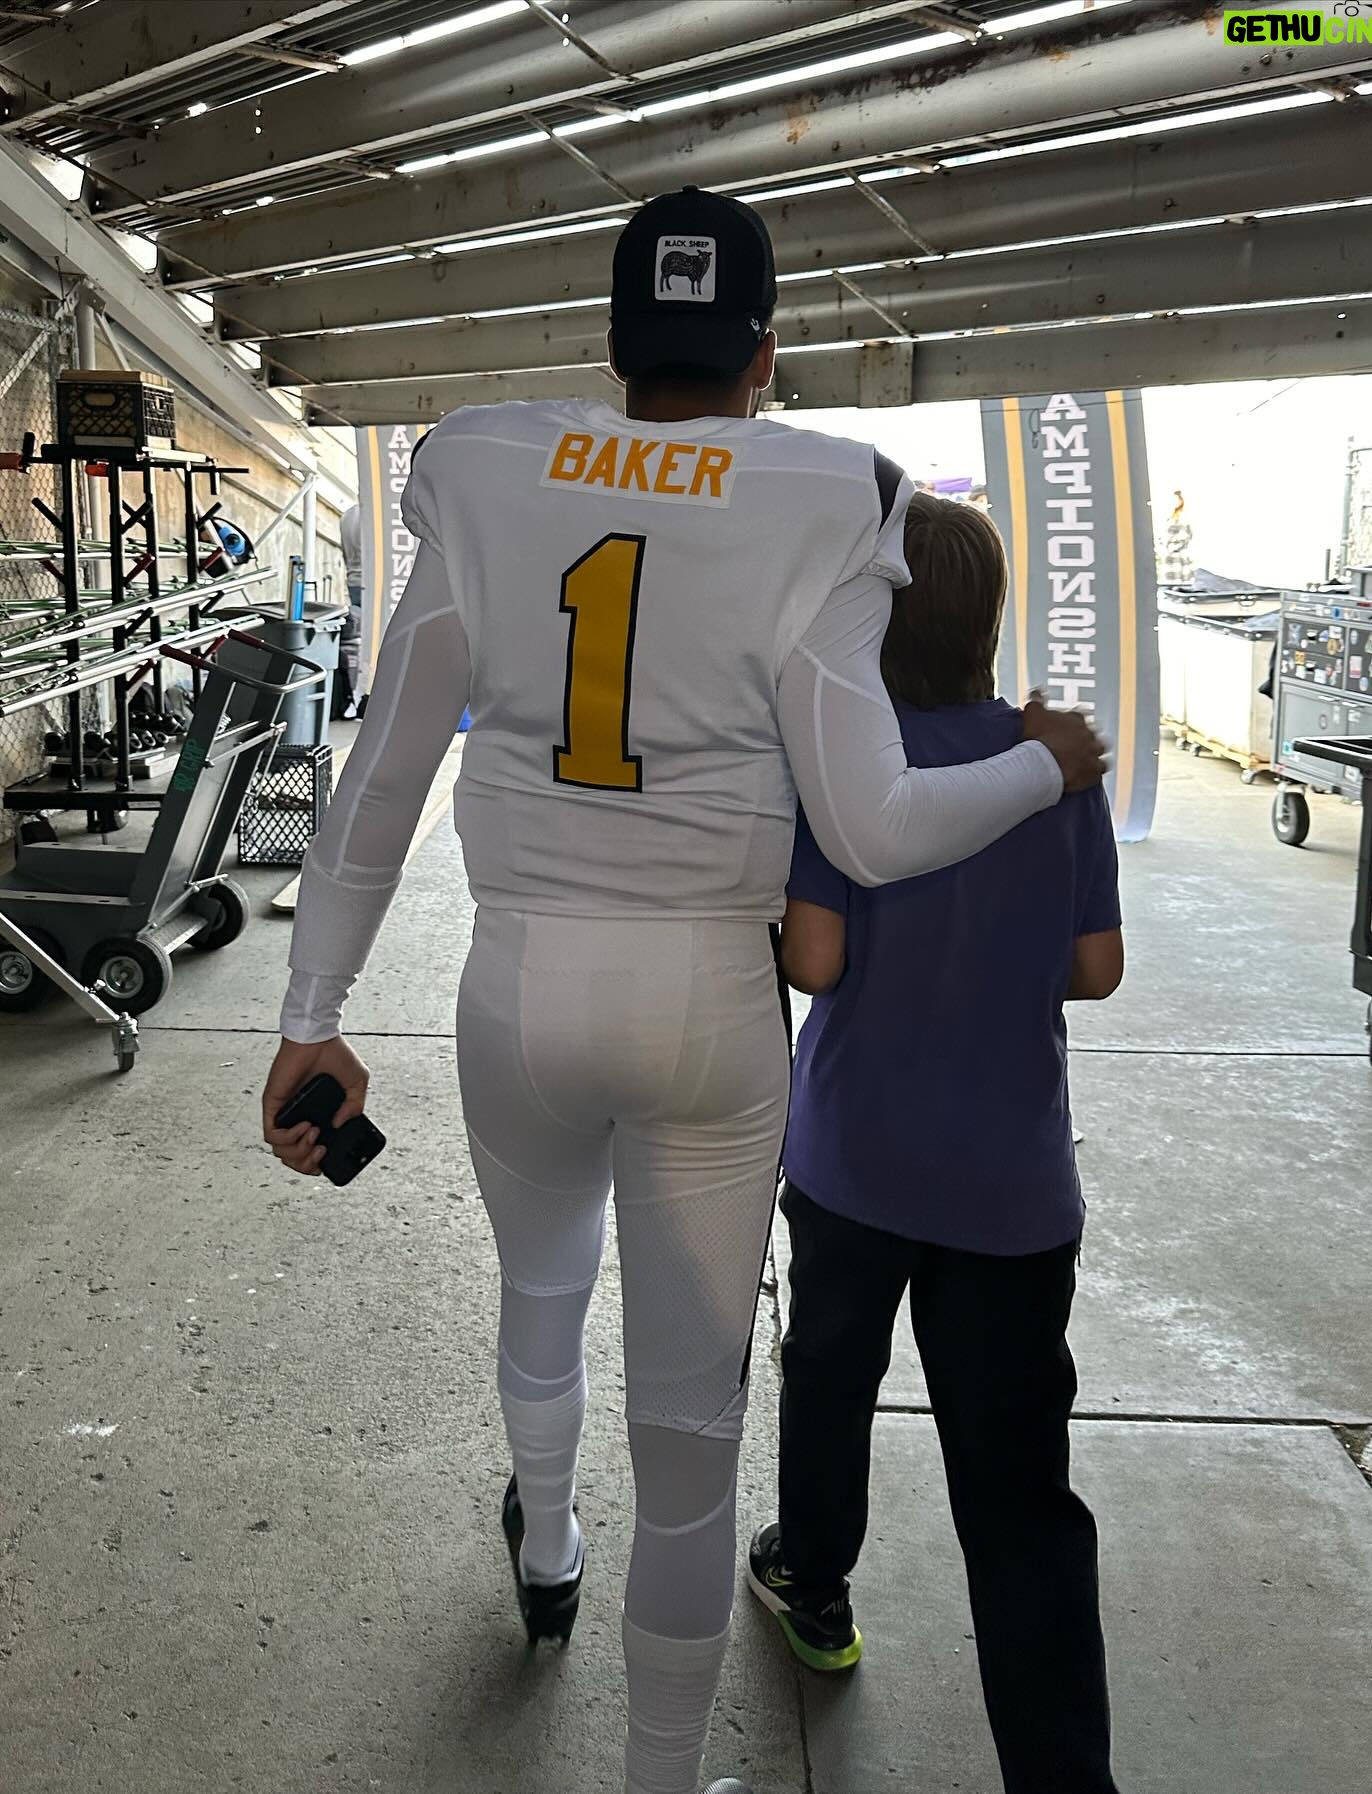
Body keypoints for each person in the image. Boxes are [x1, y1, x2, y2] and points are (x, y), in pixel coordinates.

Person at [260, 188, 1105, 1794]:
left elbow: (383, 771)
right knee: (692, 1437)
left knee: (539, 1291)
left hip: (519, 976)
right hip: (710, 998)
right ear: (764, 358)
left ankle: (547, 1546)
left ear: (612, 346)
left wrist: (313, 1010)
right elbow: (874, 824)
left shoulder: (490, 463)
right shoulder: (828, 494)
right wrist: (1036, 766)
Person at [749, 492, 1125, 1794]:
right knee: (1021, 1493)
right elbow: (1096, 967)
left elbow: (815, 958)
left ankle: (814, 1582)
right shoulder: (1051, 761)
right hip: (1012, 1184)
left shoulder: (848, 762)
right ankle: (1062, 1773)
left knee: (829, 1375)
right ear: (989, 620)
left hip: (854, 1160)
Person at [336, 501, 363, 719]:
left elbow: (345, 554)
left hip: (354, 579)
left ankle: (352, 696)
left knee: (357, 638)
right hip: (374, 584)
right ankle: (360, 695)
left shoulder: (348, 515)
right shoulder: (377, 515)